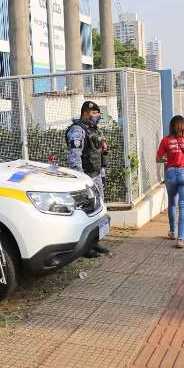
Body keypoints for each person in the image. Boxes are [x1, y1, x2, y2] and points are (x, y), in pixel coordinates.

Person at [66, 101, 110, 258]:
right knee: (87, 213)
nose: (97, 116)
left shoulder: (94, 130)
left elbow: (99, 153)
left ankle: (94, 242)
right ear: (85, 113)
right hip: (85, 178)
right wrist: (80, 179)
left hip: (96, 176)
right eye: (94, 113)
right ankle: (85, 248)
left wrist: (102, 175)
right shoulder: (77, 130)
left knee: (98, 212)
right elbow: (74, 156)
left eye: (98, 113)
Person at [156, 115, 184, 248]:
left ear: (171, 126)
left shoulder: (166, 140)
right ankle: (180, 239)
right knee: (183, 206)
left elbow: (158, 159)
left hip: (170, 174)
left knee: (172, 203)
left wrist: (167, 160)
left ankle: (172, 232)